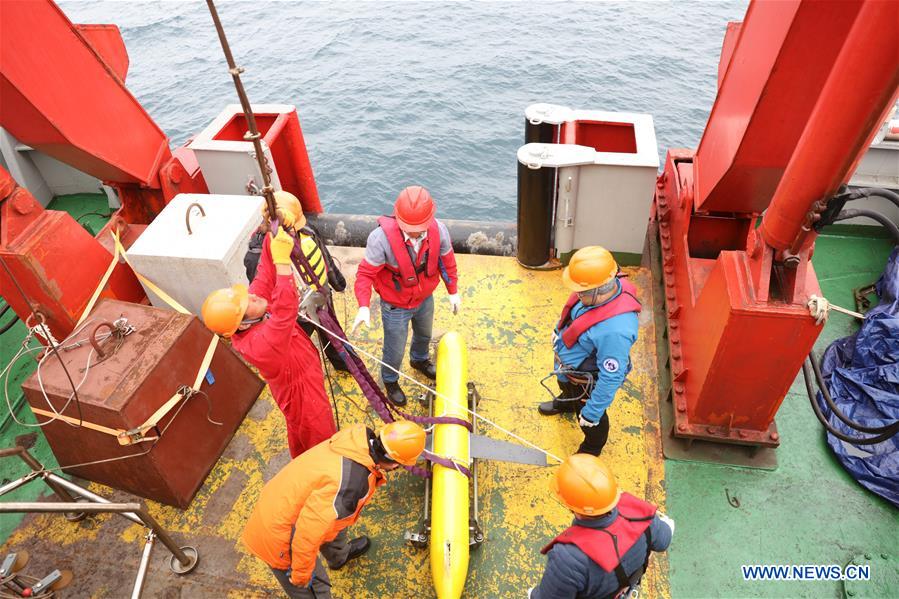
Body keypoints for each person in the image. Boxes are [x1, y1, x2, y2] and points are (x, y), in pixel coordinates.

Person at [242, 420, 427, 598]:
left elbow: (329, 515)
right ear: (395, 463)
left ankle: (339, 557)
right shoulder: (349, 487)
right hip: (279, 533)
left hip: (286, 500)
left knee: (336, 524)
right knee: (316, 589)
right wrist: (301, 575)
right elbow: (307, 534)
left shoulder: (357, 441)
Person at [202, 226, 336, 458]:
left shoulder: (254, 312)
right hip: (302, 394)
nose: (253, 296)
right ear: (242, 324)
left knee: (299, 433)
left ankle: (301, 460)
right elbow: (285, 309)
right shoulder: (259, 345)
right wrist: (284, 264)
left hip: (301, 380)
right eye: (247, 303)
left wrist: (272, 230)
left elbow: (264, 272)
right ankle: (325, 473)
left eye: (247, 296)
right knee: (321, 438)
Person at [351, 185, 460, 406]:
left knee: (424, 334)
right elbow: (365, 274)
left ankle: (419, 359)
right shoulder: (380, 239)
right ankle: (390, 380)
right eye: (410, 227)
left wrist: (453, 291)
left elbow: (447, 262)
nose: (415, 232)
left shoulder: (440, 231)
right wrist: (363, 306)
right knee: (394, 347)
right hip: (395, 306)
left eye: (420, 227)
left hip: (424, 298)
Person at [538, 246, 640, 456]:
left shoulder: (615, 332)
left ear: (599, 289)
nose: (577, 293)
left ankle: (592, 447)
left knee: (589, 418)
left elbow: (611, 377)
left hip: (586, 381)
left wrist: (592, 413)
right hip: (568, 368)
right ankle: (566, 402)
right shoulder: (598, 292)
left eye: (581, 291)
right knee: (565, 385)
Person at [530, 454, 674, 599]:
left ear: (569, 505)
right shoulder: (641, 513)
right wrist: (665, 523)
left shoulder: (567, 559)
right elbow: (663, 541)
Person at [244, 190, 350, 372]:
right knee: (298, 345)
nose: (294, 230)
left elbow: (324, 257)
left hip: (321, 297)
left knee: (333, 335)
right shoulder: (257, 256)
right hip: (296, 316)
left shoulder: (305, 231)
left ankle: (342, 363)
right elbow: (262, 294)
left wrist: (337, 283)